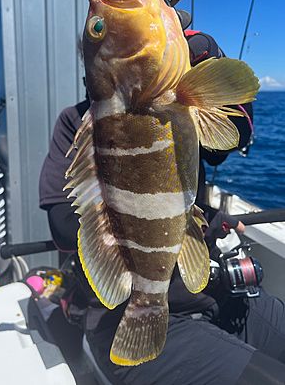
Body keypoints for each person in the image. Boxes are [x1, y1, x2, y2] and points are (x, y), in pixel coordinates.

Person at [39, 30, 285, 384]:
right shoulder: (75, 123)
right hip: (127, 313)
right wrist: (134, 215)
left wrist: (208, 62)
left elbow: (235, 134)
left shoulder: (181, 108)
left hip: (211, 289)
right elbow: (63, 225)